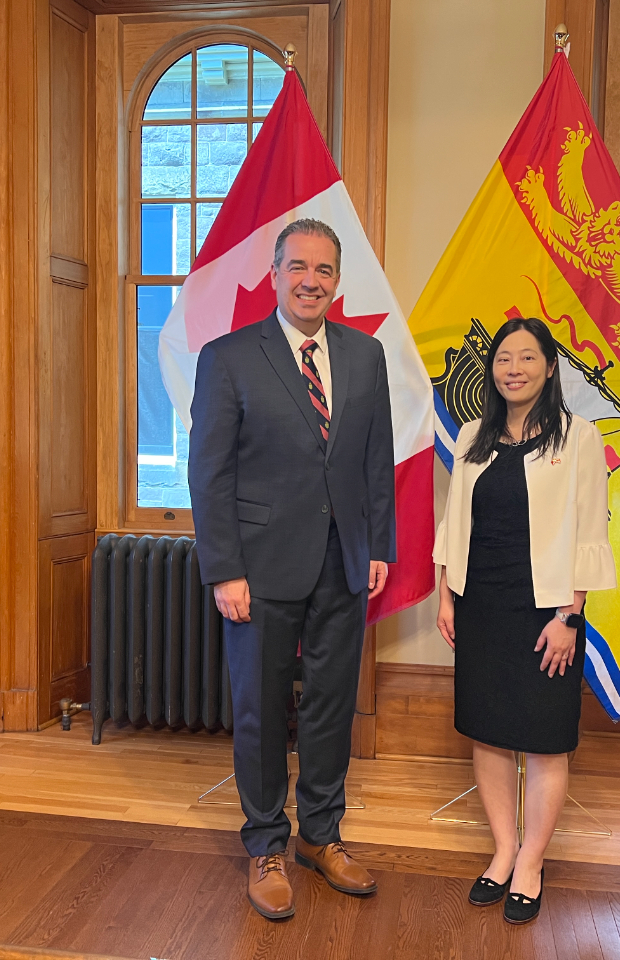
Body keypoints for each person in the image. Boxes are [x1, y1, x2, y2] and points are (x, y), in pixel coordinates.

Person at [188, 218, 396, 921]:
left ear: (338, 280)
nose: (311, 280)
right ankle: (266, 844)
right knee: (260, 708)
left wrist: (377, 545)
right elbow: (208, 473)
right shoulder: (228, 357)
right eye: (298, 267)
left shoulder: (366, 355)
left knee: (332, 706)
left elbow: (375, 460)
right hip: (258, 568)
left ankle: (321, 836)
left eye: (324, 269)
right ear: (275, 275)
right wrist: (224, 569)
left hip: (344, 563)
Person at [433, 316, 616, 925]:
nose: (514, 368)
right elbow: (455, 522)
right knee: (487, 731)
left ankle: (532, 862)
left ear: (549, 366)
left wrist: (571, 616)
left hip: (547, 609)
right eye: (504, 358)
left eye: (527, 357)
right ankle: (503, 850)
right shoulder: (472, 436)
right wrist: (446, 597)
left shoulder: (578, 436)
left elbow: (590, 528)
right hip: (480, 602)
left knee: (543, 738)